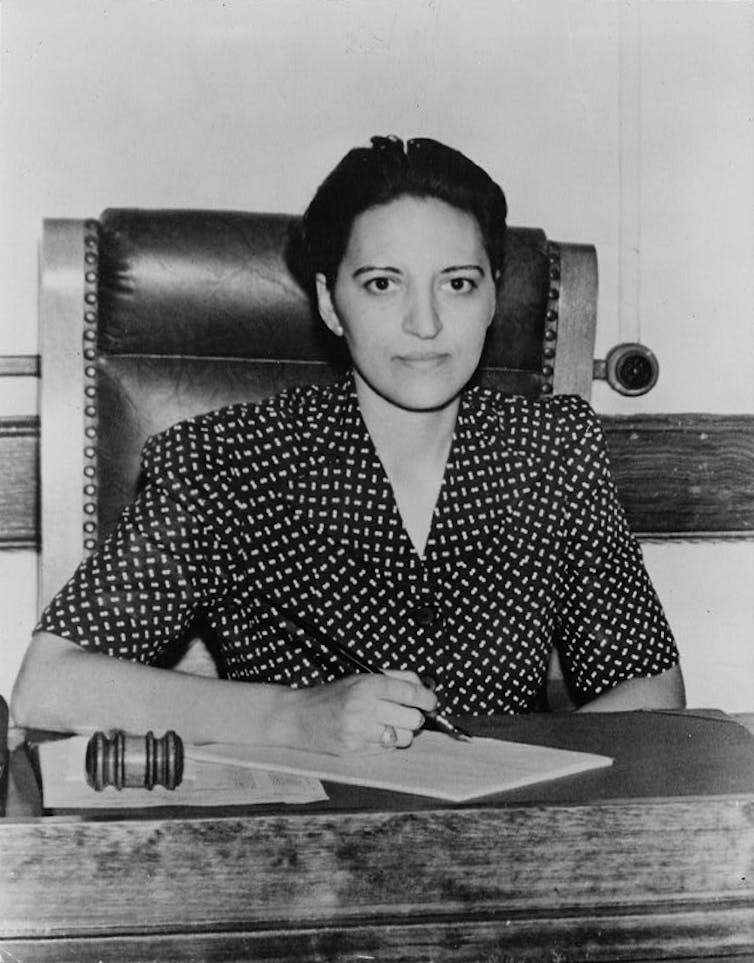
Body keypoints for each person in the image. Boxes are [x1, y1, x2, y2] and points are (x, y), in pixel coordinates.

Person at [11, 136, 685, 755]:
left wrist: (518, 785)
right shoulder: (229, 460)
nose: (425, 323)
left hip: (506, 852)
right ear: (332, 304)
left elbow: (651, 692)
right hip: (299, 849)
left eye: (457, 283)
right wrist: (291, 716)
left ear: (492, 299)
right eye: (383, 284)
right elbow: (52, 681)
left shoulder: (551, 451)